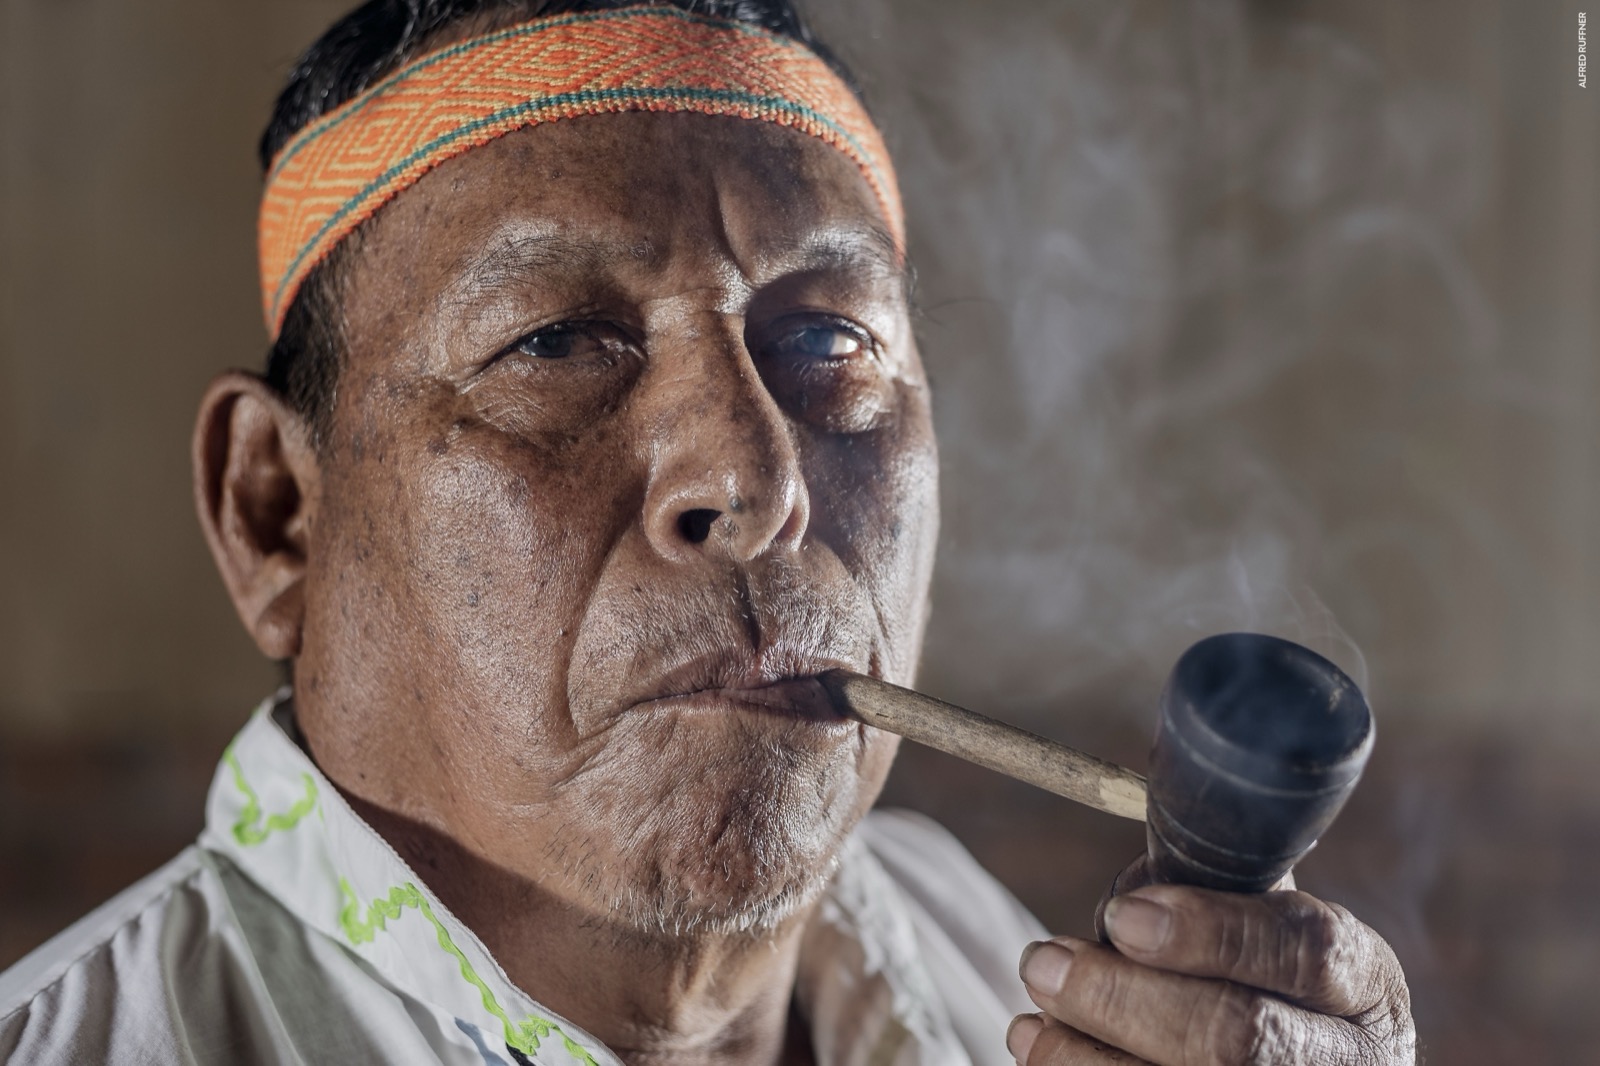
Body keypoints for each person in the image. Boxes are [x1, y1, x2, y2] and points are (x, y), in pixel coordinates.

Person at [0, 2, 1415, 1063]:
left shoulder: (982, 953)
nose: (756, 476)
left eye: (830, 338)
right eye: (555, 341)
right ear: (278, 516)